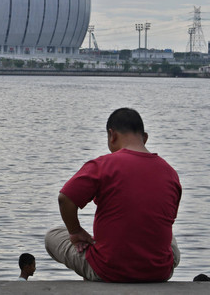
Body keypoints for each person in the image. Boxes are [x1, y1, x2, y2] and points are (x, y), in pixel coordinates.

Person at [45, 108, 181, 282]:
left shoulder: (102, 165)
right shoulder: (170, 172)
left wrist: (75, 231)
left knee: (53, 236)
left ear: (112, 135)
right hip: (159, 272)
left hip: (108, 270)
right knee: (170, 238)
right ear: (144, 138)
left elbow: (65, 199)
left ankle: (99, 267)